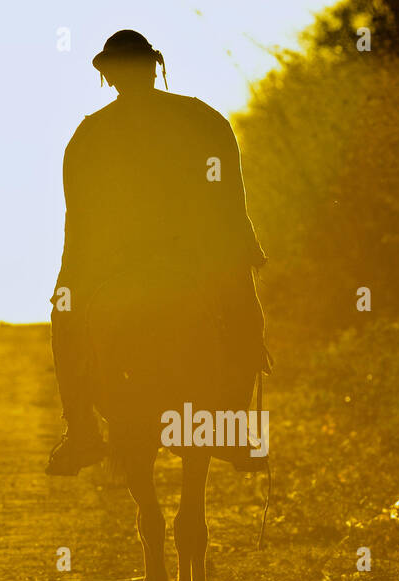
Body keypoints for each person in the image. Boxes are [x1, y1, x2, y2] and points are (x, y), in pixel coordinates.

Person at [46, 30, 270, 476]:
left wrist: (67, 284)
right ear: (154, 67)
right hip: (202, 260)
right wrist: (241, 252)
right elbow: (230, 202)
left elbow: (79, 223)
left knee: (65, 320)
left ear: (108, 76)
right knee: (247, 323)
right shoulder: (203, 119)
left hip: (114, 265)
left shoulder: (90, 134)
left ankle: (82, 433)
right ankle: (233, 429)